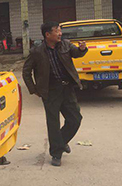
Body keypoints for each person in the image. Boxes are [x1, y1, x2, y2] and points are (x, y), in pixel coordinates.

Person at [22, 21, 88, 166]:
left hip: (67, 88)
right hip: (50, 91)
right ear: (47, 34)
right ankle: (56, 154)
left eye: (60, 30)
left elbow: (76, 53)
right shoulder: (37, 51)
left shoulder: (65, 45)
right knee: (53, 123)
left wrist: (82, 49)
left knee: (75, 119)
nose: (60, 33)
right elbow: (26, 72)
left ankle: (61, 142)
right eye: (57, 31)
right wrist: (34, 90)